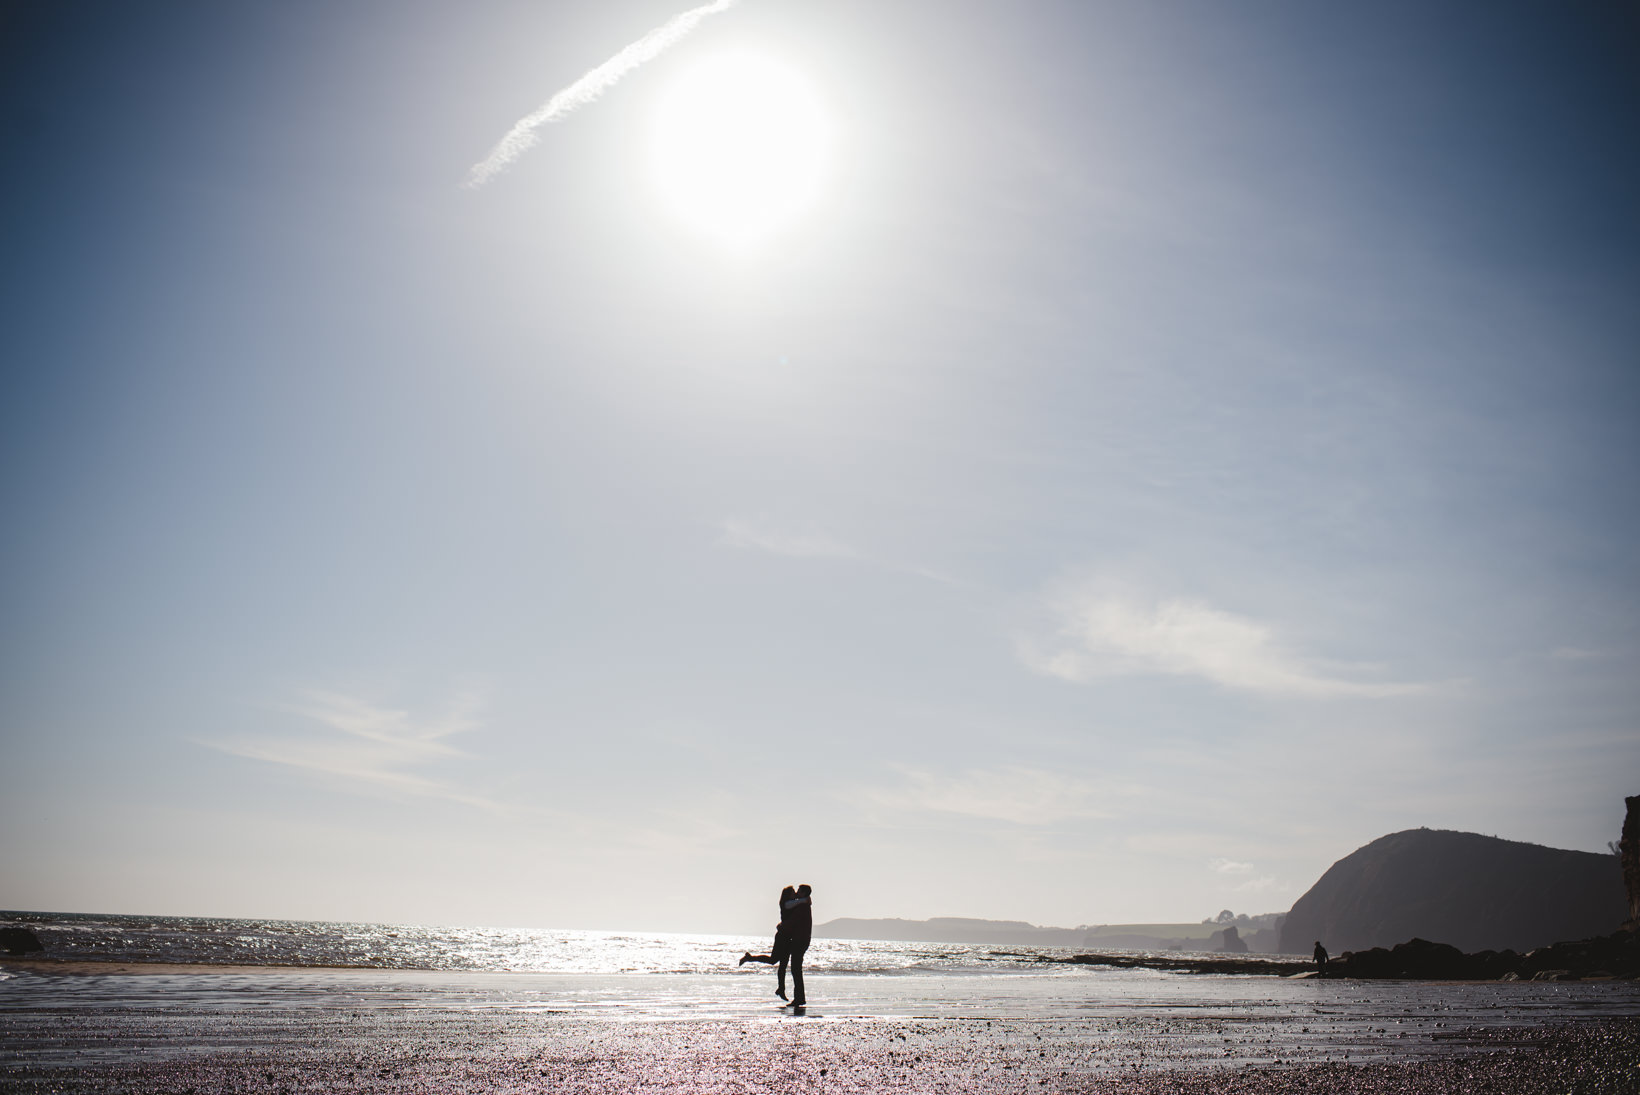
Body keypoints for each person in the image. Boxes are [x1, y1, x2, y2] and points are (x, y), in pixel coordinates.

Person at [739, 886, 797, 1000]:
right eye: (793, 892)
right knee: (773, 960)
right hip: (782, 937)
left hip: (787, 937)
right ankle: (749, 958)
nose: (795, 893)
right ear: (788, 894)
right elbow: (801, 902)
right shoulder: (786, 903)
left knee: (783, 965)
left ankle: (781, 989)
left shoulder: (791, 903)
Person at [784, 883, 812, 1007]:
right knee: (796, 969)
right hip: (802, 939)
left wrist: (782, 926)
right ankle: (799, 997)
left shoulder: (802, 906)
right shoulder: (803, 903)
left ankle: (799, 998)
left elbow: (793, 920)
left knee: (796, 969)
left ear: (804, 893)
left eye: (799, 891)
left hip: (800, 940)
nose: (797, 892)